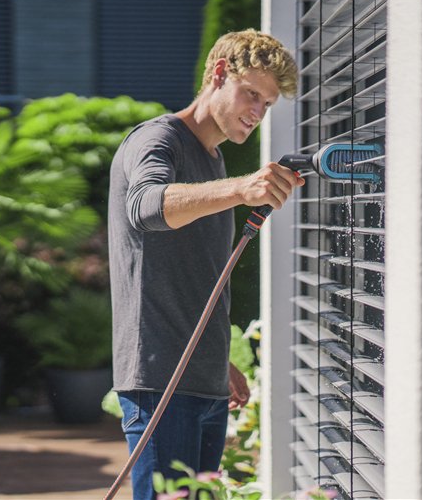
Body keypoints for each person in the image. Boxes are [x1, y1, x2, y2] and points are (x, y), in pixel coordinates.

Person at [107, 28, 304, 500]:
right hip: (159, 382)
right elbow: (147, 207)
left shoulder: (211, 160)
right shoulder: (159, 140)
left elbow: (193, 276)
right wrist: (241, 190)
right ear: (219, 74)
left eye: (268, 104)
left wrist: (219, 363)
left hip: (202, 381)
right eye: (252, 94)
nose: (257, 113)